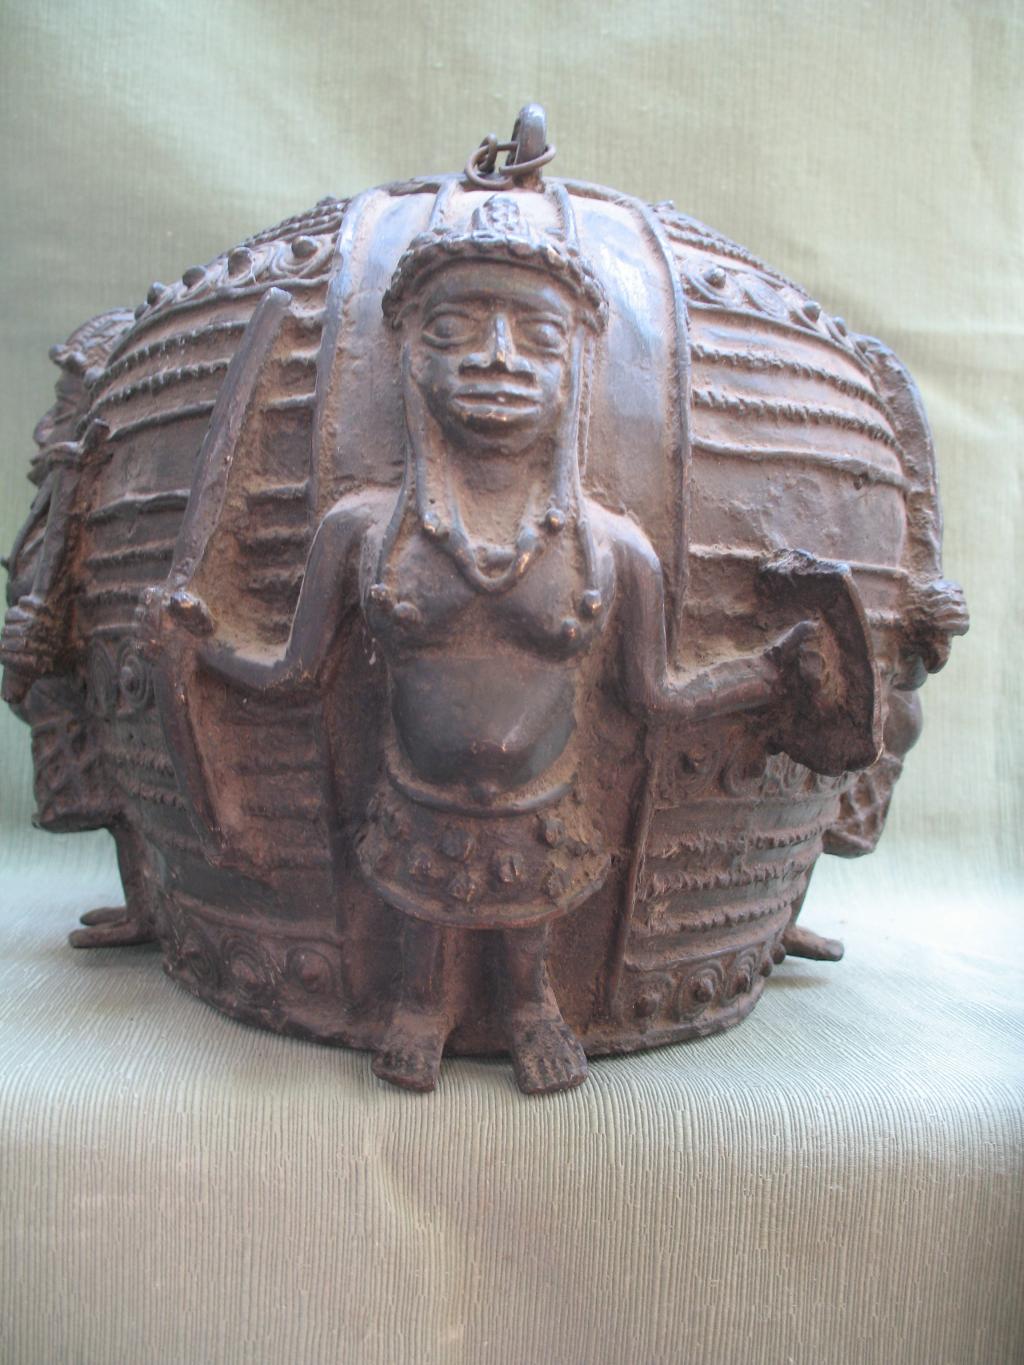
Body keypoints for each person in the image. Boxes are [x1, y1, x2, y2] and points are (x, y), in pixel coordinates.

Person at [144, 196, 824, 1093]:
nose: (497, 356)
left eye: (537, 336)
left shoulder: (613, 547)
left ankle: (533, 1007)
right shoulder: (364, 530)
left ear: (578, 363)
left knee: (527, 927)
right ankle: (420, 1006)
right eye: (453, 330)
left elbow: (654, 694)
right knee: (421, 922)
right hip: (414, 795)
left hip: (541, 804)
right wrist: (202, 651)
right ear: (407, 355)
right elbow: (297, 673)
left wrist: (765, 675)